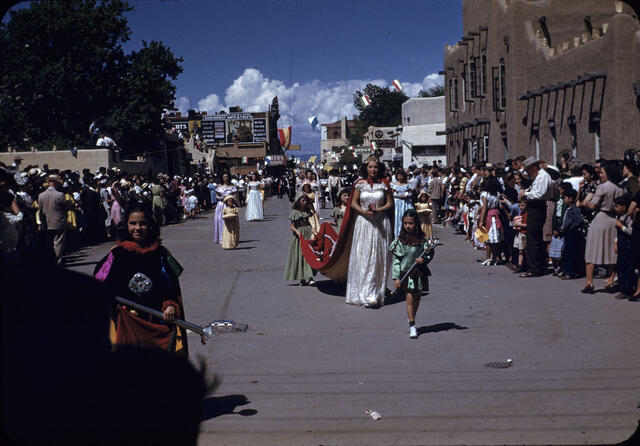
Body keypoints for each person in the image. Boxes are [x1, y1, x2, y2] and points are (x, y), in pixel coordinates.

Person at [93, 205, 188, 355]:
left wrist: (170, 305)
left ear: (150, 226)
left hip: (156, 322)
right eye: (133, 223)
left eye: (142, 223)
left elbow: (170, 288)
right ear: (126, 225)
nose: (137, 228)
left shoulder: (161, 254)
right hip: (126, 323)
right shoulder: (116, 255)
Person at [346, 155, 394, 308]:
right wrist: (364, 212)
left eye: (376, 167)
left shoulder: (384, 184)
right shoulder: (360, 184)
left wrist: (378, 210)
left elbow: (390, 203)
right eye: (370, 167)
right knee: (365, 257)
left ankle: (374, 294)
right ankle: (364, 293)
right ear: (366, 168)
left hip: (380, 223)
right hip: (364, 223)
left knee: (378, 258)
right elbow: (353, 203)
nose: (373, 170)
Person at [582, 162, 626, 294]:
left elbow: (592, 206)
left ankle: (589, 283)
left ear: (608, 173)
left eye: (602, 172)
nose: (600, 174)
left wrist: (586, 201)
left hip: (600, 219)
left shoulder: (602, 187)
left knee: (592, 251)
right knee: (612, 251)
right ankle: (610, 280)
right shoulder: (620, 188)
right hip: (613, 220)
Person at [390, 209, 435, 339]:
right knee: (409, 299)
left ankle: (412, 317)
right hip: (406, 273)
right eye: (405, 223)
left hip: (419, 272)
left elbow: (429, 253)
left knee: (417, 298)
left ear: (416, 223)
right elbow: (397, 261)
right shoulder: (401, 241)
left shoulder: (423, 240)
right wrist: (396, 278)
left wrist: (424, 259)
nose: (408, 226)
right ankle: (412, 325)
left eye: (410, 223)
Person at [519, 157, 553, 277]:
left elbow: (539, 194)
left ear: (533, 168)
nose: (528, 173)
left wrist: (525, 194)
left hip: (537, 207)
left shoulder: (542, 176)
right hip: (535, 206)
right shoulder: (539, 177)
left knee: (533, 238)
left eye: (528, 170)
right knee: (535, 237)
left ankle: (534, 268)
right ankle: (538, 266)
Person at [284, 192, 316, 286]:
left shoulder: (307, 212)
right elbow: (292, 226)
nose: (305, 202)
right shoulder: (295, 212)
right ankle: (302, 277)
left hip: (308, 232)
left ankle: (310, 277)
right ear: (299, 201)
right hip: (299, 234)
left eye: (306, 200)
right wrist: (297, 232)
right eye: (303, 200)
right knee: (301, 255)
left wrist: (312, 229)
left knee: (309, 254)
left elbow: (309, 222)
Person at [37, 175, 69, 265]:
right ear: (55, 183)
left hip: (46, 222)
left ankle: (49, 261)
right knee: (58, 243)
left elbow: (40, 210)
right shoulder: (60, 195)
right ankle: (57, 261)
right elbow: (65, 208)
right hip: (59, 221)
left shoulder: (41, 195)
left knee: (48, 243)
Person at [558, 188, 584, 280]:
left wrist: (571, 228)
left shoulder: (574, 209)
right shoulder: (567, 208)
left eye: (565, 198)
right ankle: (565, 270)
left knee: (571, 254)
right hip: (567, 233)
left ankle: (571, 272)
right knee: (566, 253)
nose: (564, 200)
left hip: (573, 234)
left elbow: (579, 220)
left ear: (571, 198)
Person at [613, 195, 634, 299]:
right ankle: (622, 288)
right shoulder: (619, 217)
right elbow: (617, 235)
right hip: (621, 245)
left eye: (617, 206)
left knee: (627, 268)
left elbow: (631, 232)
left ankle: (627, 290)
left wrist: (621, 226)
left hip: (627, 246)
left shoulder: (629, 218)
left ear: (624, 207)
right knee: (620, 267)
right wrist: (615, 243)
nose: (615, 208)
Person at [213, 173, 237, 244]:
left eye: (226, 177)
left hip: (230, 204)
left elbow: (235, 194)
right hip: (221, 204)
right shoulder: (219, 186)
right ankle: (221, 237)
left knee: (230, 221)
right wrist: (222, 198)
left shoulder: (232, 186)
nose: (225, 178)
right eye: (224, 177)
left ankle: (231, 237)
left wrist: (231, 199)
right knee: (221, 221)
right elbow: (216, 196)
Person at [391, 168, 414, 237]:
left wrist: (406, 195)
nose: (400, 177)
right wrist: (398, 196)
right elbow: (392, 194)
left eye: (401, 176)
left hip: (405, 203)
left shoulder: (407, 184)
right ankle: (397, 234)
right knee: (397, 217)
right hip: (397, 203)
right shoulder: (394, 184)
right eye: (398, 176)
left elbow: (410, 193)